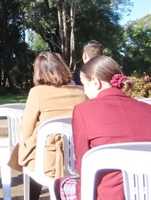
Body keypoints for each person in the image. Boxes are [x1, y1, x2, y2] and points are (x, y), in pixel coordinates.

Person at [57, 55, 151, 200]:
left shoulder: (83, 111)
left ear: (95, 82)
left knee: (59, 184)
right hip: (145, 193)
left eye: (84, 85)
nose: (84, 91)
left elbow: (83, 164)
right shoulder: (147, 109)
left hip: (107, 195)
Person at [8, 51, 87, 200]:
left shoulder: (37, 93)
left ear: (39, 71)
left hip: (48, 160)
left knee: (31, 146)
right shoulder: (82, 92)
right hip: (78, 157)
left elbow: (26, 131)